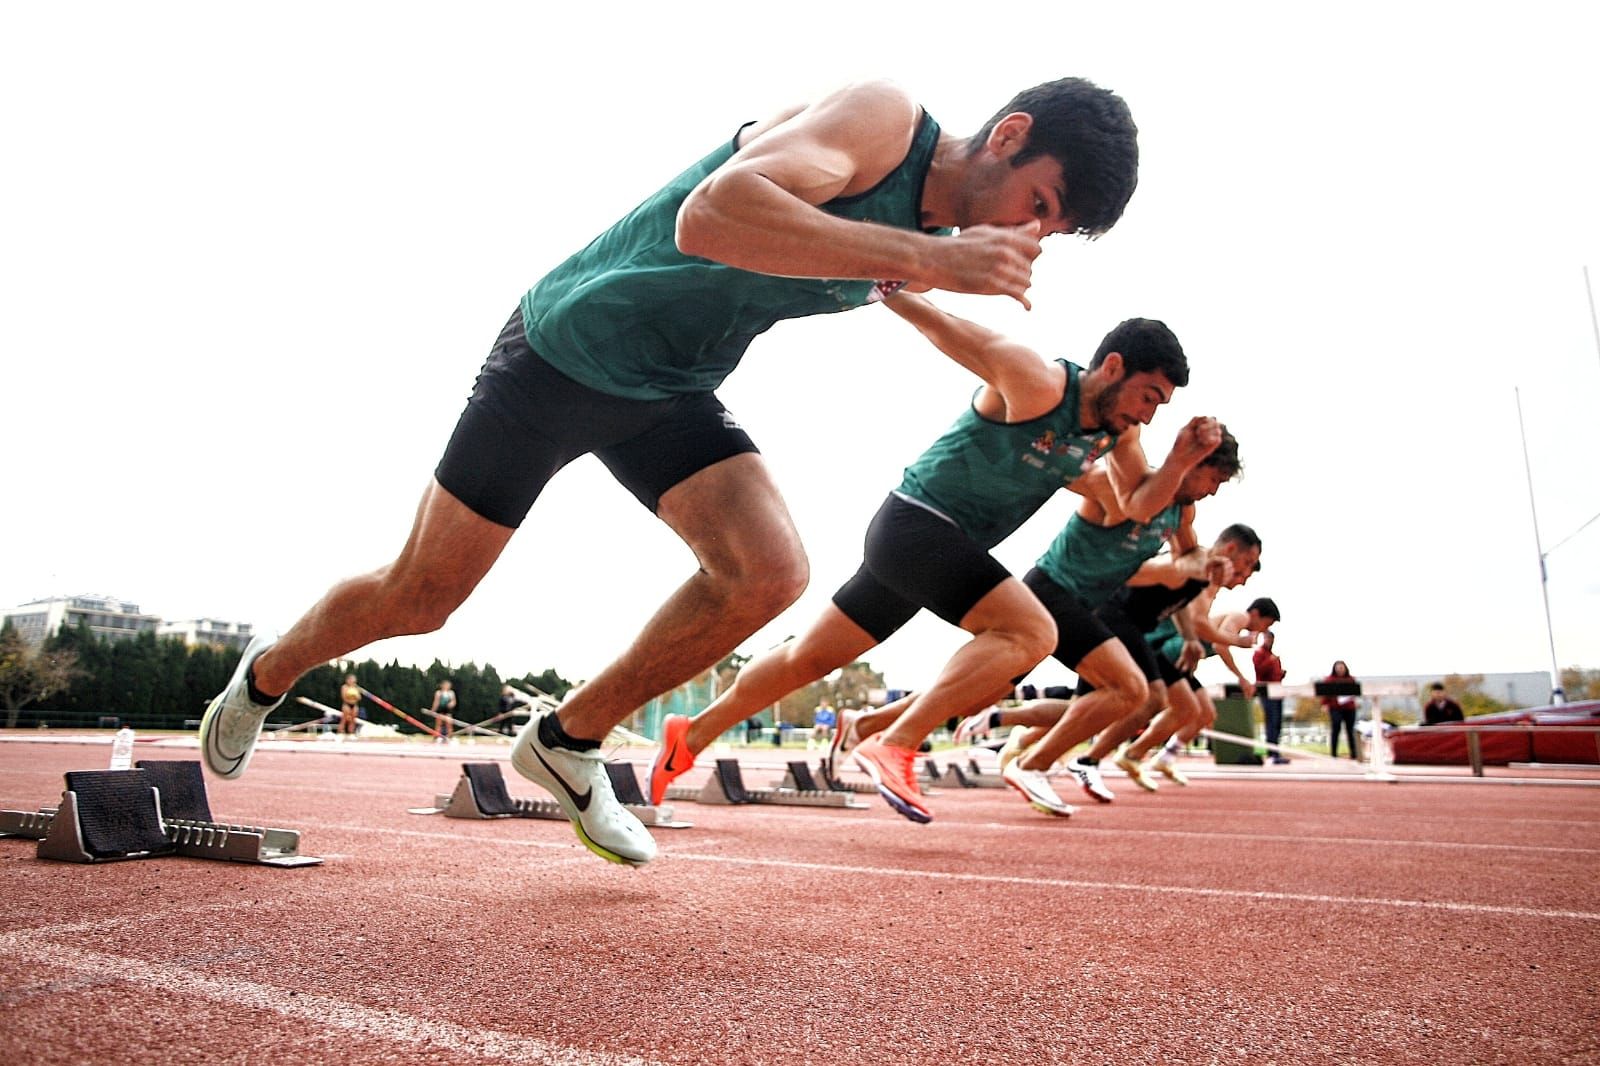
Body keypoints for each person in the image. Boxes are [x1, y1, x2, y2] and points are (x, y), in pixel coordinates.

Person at [199, 76, 1141, 867]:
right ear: (1007, 138)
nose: (1033, 233)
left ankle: (566, 741)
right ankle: (269, 671)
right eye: (1042, 206)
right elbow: (713, 216)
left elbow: (881, 286)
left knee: (770, 573)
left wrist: (931, 274)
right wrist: (925, 257)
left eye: (1052, 231)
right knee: (422, 597)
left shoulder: (931, 243)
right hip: (564, 350)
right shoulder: (881, 123)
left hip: (671, 390)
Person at [647, 292, 1219, 821]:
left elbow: (1139, 506)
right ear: (1114, 366)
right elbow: (947, 329)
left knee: (808, 659)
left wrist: (1181, 456)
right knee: (1030, 634)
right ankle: (895, 741)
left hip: (939, 548)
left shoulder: (1119, 438)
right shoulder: (1037, 381)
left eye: (1161, 406)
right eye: (1149, 396)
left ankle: (689, 734)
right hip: (916, 525)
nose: (1148, 414)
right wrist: (885, 278)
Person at [1253, 629, 1288, 763]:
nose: (1269, 641)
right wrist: (1270, 661)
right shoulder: (1260, 654)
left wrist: (1281, 673)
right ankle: (1272, 752)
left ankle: (1275, 751)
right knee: (1272, 722)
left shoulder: (1273, 656)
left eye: (1271, 639)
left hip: (1277, 691)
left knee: (1277, 722)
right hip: (1266, 691)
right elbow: (1259, 671)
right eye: (1267, 638)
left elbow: (1275, 675)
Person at [1321, 660, 1360, 758]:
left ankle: (1354, 753)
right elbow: (1325, 694)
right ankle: (1333, 753)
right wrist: (1325, 704)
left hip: (1349, 708)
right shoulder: (1329, 680)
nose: (1340, 670)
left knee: (1350, 730)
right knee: (1336, 728)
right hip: (1335, 708)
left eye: (1342, 668)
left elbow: (1356, 692)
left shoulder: (1351, 679)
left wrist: (1357, 702)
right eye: (1338, 668)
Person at [338, 674, 362, 738]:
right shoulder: (344, 687)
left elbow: (359, 698)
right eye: (351, 680)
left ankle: (351, 733)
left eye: (353, 680)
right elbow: (343, 697)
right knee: (344, 718)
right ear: (348, 680)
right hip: (347, 704)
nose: (352, 681)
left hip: (354, 704)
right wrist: (351, 696)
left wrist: (355, 696)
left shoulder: (356, 688)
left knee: (353, 720)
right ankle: (340, 732)